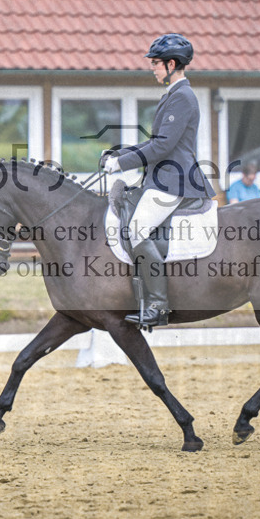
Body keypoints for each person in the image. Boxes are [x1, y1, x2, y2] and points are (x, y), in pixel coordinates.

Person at [102, 33, 215, 327]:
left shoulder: (183, 97)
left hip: (173, 181)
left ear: (172, 64)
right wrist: (120, 154)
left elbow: (162, 148)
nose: (152, 68)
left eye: (156, 63)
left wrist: (121, 163)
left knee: (137, 230)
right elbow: (156, 142)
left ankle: (158, 305)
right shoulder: (173, 95)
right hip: (162, 178)